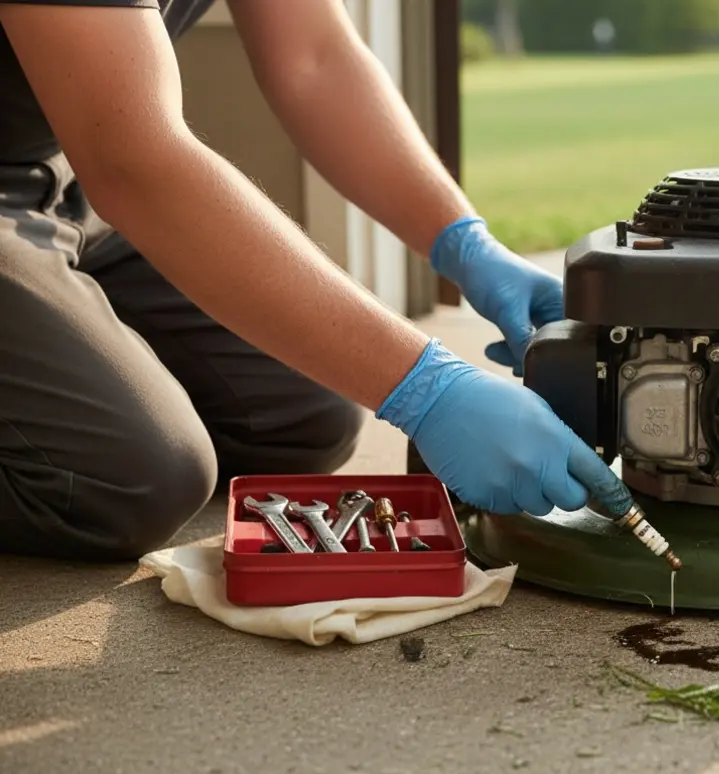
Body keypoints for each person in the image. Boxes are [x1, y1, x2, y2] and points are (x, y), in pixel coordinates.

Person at [0, 0, 629, 561]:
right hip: (86, 171)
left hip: (68, 183)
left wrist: (465, 243)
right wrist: (429, 388)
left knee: (301, 419)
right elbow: (132, 161)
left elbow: (315, 59)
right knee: (132, 478)